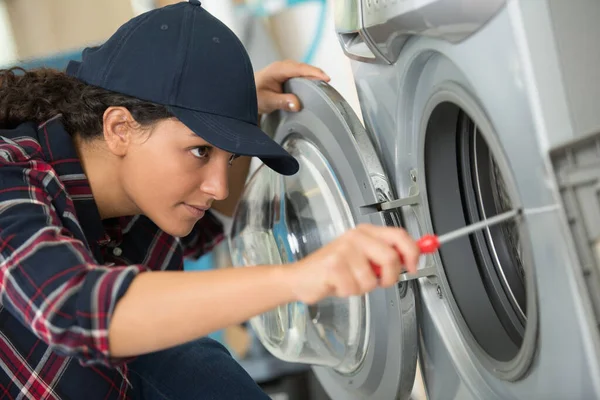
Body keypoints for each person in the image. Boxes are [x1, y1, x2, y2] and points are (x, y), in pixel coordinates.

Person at [0, 1, 420, 399]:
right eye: (200, 151)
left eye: (230, 157)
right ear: (120, 129)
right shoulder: (10, 174)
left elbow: (213, 225)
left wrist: (235, 119)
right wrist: (301, 278)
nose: (219, 186)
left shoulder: (136, 191)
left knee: (190, 359)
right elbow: (72, 308)